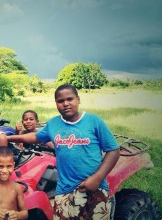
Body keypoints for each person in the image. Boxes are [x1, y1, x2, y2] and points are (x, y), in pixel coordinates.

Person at [8, 84, 120, 220]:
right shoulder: (53, 124)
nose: (65, 103)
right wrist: (8, 137)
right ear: (56, 104)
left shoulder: (94, 121)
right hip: (64, 190)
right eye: (60, 101)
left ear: (78, 99)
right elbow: (35, 137)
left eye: (70, 99)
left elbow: (113, 150)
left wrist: (96, 179)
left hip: (94, 188)